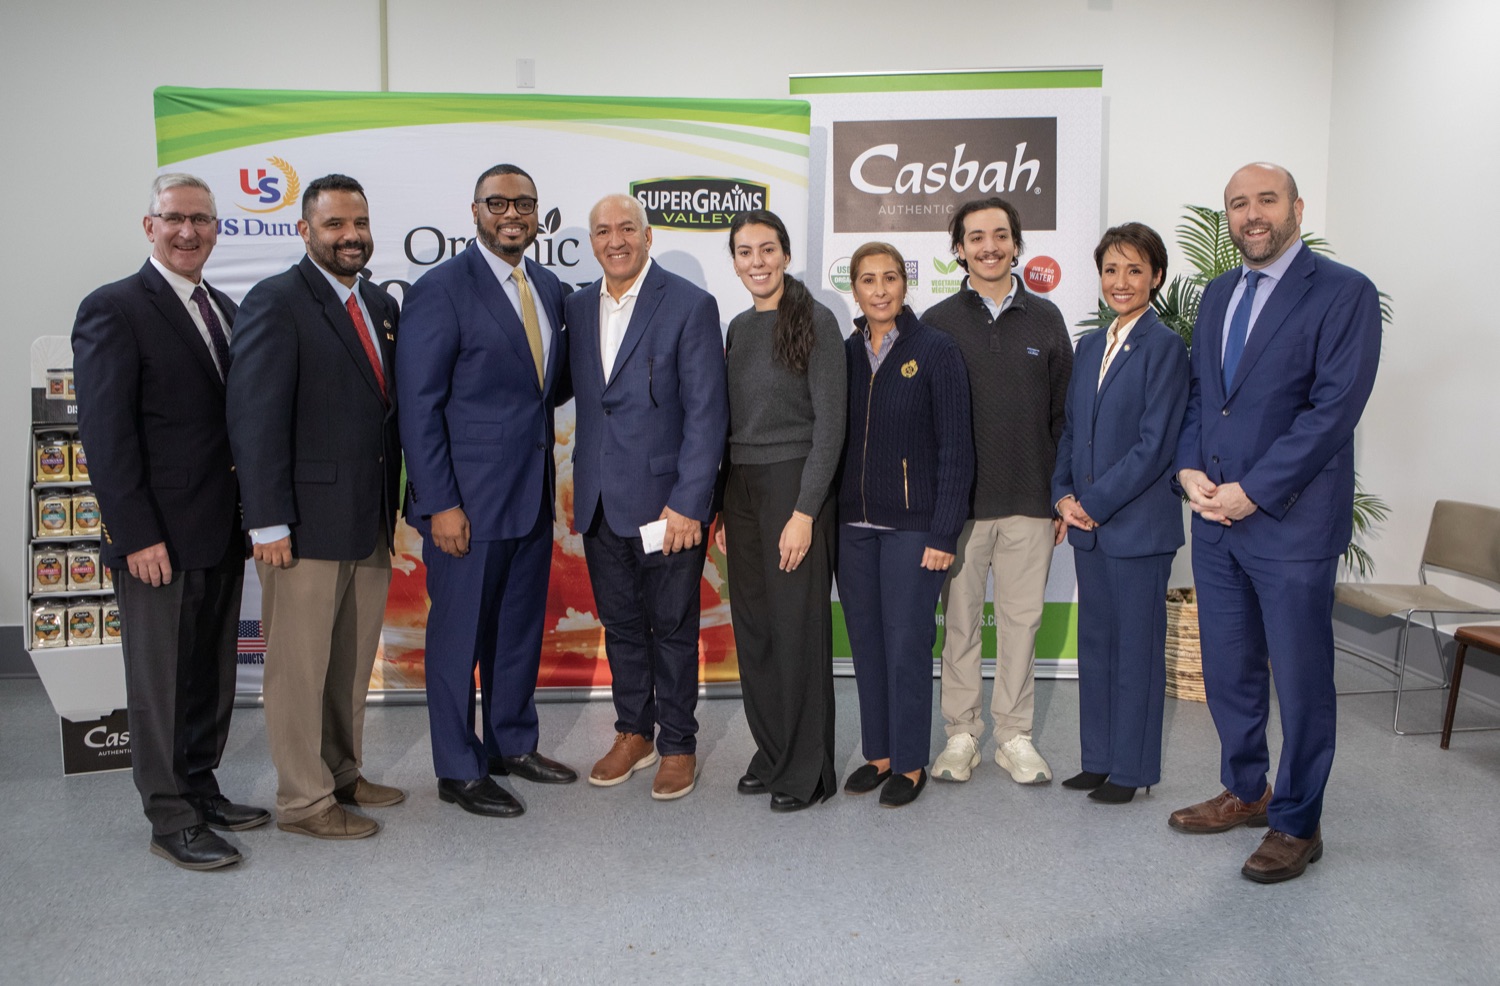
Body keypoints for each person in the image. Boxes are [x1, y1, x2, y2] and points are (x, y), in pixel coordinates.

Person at [1171, 163, 1381, 883]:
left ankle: (1297, 821)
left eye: (1266, 200)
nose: (1252, 214)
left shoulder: (1344, 292)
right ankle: (1247, 788)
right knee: (1230, 671)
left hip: (1290, 522)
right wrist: (1190, 468)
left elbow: (1332, 411)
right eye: (1238, 204)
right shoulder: (1219, 291)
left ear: (1296, 206)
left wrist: (1252, 491)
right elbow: (1203, 395)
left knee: (1300, 677)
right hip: (1215, 520)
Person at [72, 173, 268, 870]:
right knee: (159, 683)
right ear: (148, 225)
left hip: (219, 529)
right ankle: (169, 816)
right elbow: (106, 433)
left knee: (207, 675)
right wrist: (136, 535)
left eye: (203, 220)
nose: (190, 231)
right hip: (156, 538)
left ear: (218, 230)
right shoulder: (114, 309)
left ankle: (201, 787)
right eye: (176, 218)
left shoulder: (226, 308)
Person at [226, 174, 405, 840]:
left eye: (357, 222)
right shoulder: (277, 302)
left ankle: (342, 772)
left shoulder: (380, 303)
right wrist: (266, 520)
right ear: (304, 231)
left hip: (367, 520)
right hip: (299, 527)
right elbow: (253, 418)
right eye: (334, 225)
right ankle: (304, 803)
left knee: (350, 666)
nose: (350, 235)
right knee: (298, 674)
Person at [396, 164, 576, 818]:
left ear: (537, 215)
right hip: (464, 506)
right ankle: (459, 767)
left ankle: (510, 742)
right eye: (498, 202)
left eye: (523, 204)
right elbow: (419, 407)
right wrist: (440, 502)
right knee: (459, 637)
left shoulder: (551, 287)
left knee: (516, 630)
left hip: (529, 495)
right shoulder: (441, 289)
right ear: (474, 211)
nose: (512, 213)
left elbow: (545, 388)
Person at [567, 193, 728, 801]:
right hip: (600, 503)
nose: (616, 240)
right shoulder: (577, 308)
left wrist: (690, 502)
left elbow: (707, 415)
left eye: (626, 229)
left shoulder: (689, 305)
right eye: (603, 230)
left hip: (668, 508)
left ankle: (679, 744)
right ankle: (634, 731)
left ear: (648, 235)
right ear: (592, 241)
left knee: (672, 626)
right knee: (622, 625)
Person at [923, 198, 1072, 786]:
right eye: (976, 237)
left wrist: (1062, 494)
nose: (989, 246)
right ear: (958, 247)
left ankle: (1014, 735)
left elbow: (1064, 417)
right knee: (958, 624)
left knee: (1020, 624)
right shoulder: (936, 322)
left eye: (1001, 235)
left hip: (1031, 502)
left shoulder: (1047, 319)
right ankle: (962, 734)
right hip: (960, 508)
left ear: (1016, 243)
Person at [1051, 222, 1189, 805]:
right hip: (1089, 528)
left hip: (1136, 528)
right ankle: (1098, 759)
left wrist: (1093, 503)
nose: (1121, 281)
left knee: (1136, 652)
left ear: (1156, 276)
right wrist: (1061, 495)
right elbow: (1070, 433)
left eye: (1135, 269)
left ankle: (1131, 771)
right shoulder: (1088, 346)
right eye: (1111, 269)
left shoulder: (1165, 347)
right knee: (1099, 646)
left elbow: (1154, 447)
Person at [715, 210, 845, 812]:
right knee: (758, 630)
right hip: (741, 489)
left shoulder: (815, 321)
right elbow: (728, 424)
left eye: (767, 249)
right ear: (735, 261)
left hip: (794, 486)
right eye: (745, 252)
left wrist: (804, 511)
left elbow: (831, 428)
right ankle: (771, 753)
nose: (757, 261)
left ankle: (807, 771)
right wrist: (718, 501)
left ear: (786, 255)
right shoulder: (738, 327)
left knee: (797, 632)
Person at [838, 242, 973, 809]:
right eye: (867, 280)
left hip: (914, 528)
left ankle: (912, 761)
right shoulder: (844, 354)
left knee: (907, 643)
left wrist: (944, 532)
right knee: (866, 644)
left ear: (904, 284)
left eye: (890, 278)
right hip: (852, 525)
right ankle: (881, 753)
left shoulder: (935, 350)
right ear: (855, 288)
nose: (879, 289)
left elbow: (957, 450)